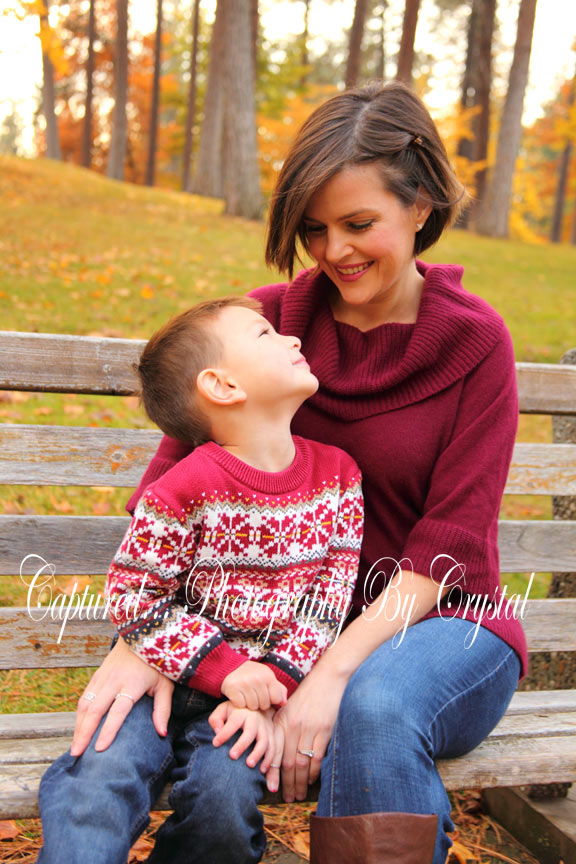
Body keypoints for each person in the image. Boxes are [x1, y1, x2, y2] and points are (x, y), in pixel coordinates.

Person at [63, 79, 530, 864]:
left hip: (443, 624)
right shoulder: (269, 324)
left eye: (358, 224)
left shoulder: (475, 343)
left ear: (421, 205)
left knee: (374, 705)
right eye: (314, 228)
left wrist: (332, 675)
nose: (334, 251)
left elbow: (448, 545)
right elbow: (169, 491)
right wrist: (142, 641)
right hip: (280, 634)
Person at [37, 296, 364, 864]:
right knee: (99, 781)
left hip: (251, 700)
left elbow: (326, 605)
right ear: (222, 385)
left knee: (224, 801)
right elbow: (134, 595)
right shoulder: (183, 488)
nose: (291, 339)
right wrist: (224, 668)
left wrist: (268, 685)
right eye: (265, 335)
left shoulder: (337, 477)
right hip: (159, 678)